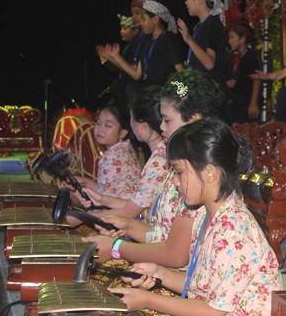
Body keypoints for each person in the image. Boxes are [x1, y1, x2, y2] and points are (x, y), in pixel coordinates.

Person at [109, 118, 282, 316]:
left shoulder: (233, 230)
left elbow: (214, 311)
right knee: (129, 315)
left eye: (179, 172)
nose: (175, 183)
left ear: (209, 173)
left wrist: (147, 300)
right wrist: (158, 272)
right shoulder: (204, 214)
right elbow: (199, 285)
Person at [83, 69, 226, 268]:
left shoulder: (199, 174)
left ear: (193, 120)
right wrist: (128, 226)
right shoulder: (179, 166)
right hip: (168, 272)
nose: (160, 126)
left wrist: (117, 248)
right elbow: (161, 234)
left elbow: (176, 255)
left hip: (187, 283)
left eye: (167, 120)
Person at [78, 86, 170, 221]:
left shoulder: (158, 162)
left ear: (143, 125)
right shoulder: (159, 154)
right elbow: (138, 204)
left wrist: (82, 217)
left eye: (132, 118)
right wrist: (102, 199)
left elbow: (129, 212)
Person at [100, 0, 184, 88]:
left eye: (143, 19)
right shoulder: (147, 42)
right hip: (149, 91)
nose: (141, 23)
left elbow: (179, 68)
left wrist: (185, 91)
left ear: (155, 19)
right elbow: (136, 74)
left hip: (162, 91)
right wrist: (114, 57)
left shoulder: (166, 38)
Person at [70, 105, 140, 201]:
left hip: (118, 213)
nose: (100, 129)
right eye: (98, 123)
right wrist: (85, 181)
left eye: (108, 125)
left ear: (123, 133)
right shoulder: (125, 147)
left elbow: (104, 200)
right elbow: (105, 190)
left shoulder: (114, 158)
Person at [177, 0, 229, 87]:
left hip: (211, 92)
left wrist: (189, 40)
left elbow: (209, 64)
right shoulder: (200, 26)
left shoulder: (212, 25)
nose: (186, 2)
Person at [100, 0, 146, 106]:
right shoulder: (133, 44)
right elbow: (125, 69)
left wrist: (114, 57)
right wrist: (110, 58)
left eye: (125, 28)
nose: (121, 31)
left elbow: (135, 74)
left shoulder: (144, 40)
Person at [223, 23, 261, 124]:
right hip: (239, 100)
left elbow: (256, 79)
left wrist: (253, 103)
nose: (229, 41)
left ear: (242, 39)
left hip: (246, 102)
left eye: (232, 38)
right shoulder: (239, 57)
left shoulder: (250, 57)